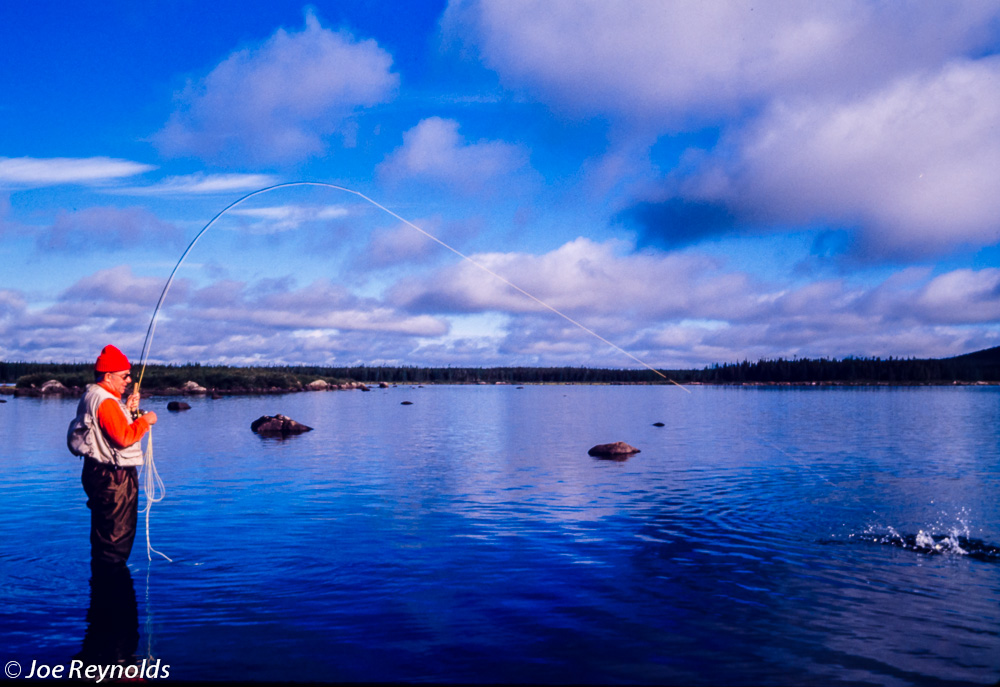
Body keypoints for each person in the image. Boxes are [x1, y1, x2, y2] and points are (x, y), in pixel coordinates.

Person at [74, 344, 157, 567]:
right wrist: (144, 421)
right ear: (108, 376)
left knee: (104, 534)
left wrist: (128, 412)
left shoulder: (92, 395)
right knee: (115, 542)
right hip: (114, 479)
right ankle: (111, 592)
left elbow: (105, 430)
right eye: (125, 376)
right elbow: (123, 438)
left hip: (97, 473)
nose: (129, 380)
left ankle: (102, 589)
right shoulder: (107, 402)